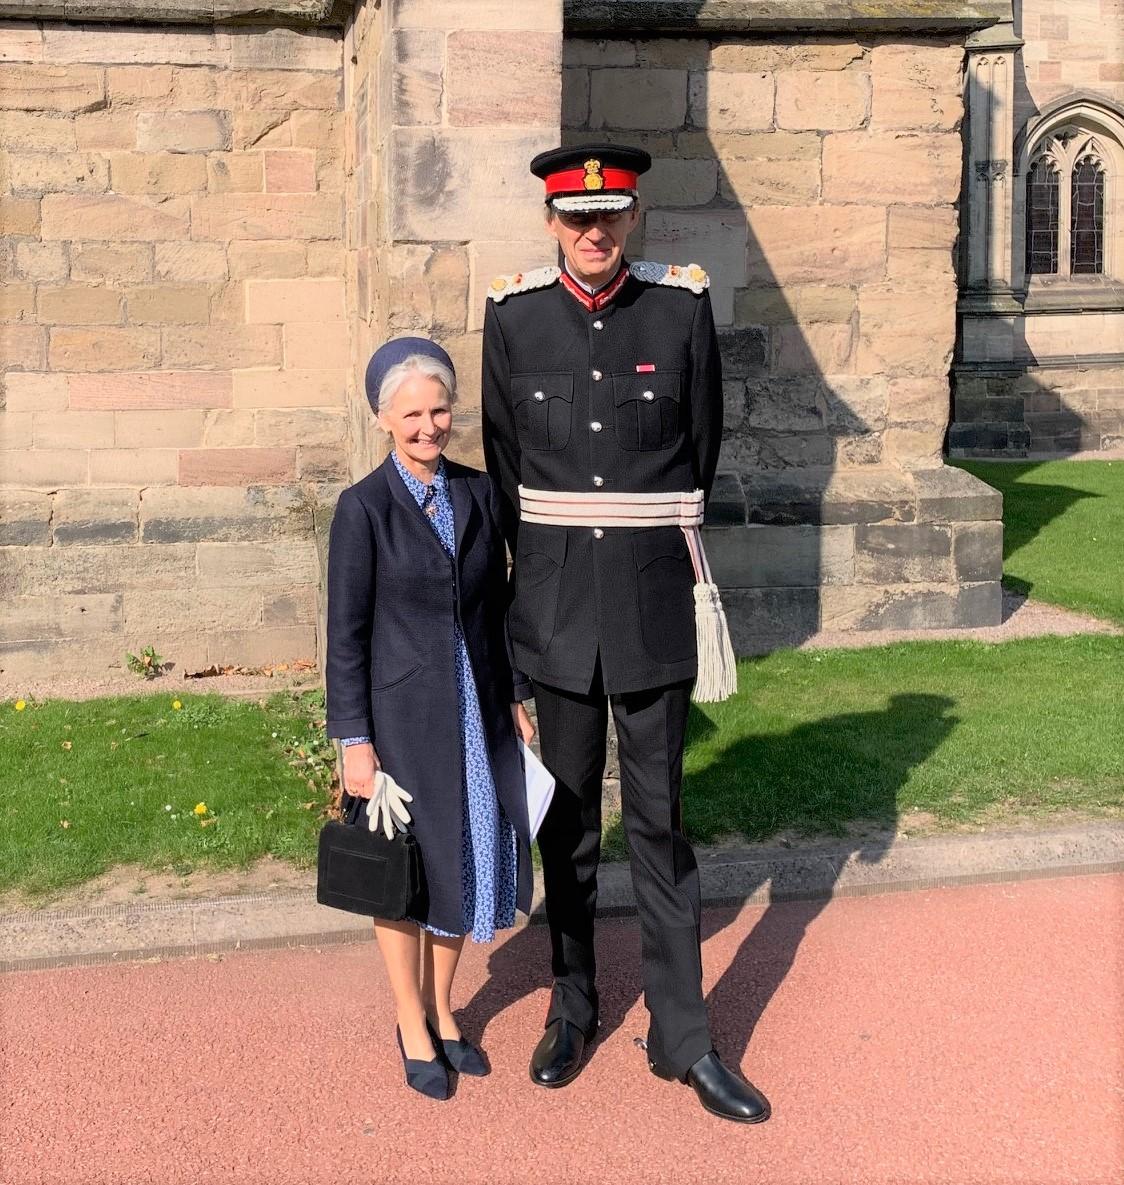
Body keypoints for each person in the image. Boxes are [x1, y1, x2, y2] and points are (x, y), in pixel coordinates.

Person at [481, 145, 769, 1123]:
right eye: (573, 218)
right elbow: (509, 476)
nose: (592, 232)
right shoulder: (512, 319)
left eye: (609, 215)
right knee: (564, 828)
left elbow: (699, 450)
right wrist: (511, 644)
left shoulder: (679, 311)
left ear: (634, 215)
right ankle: (571, 1008)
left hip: (649, 610)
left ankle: (682, 1038)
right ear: (549, 223)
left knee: (659, 829)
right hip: (556, 614)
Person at [325, 336, 536, 1101]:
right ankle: (410, 1023)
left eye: (440, 408)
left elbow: (497, 612)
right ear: (383, 416)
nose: (428, 425)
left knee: (465, 860)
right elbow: (344, 634)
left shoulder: (479, 494)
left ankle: (446, 1011)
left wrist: (515, 694)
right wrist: (355, 742)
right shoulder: (363, 508)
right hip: (399, 723)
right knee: (403, 877)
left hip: (476, 713)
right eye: (411, 412)